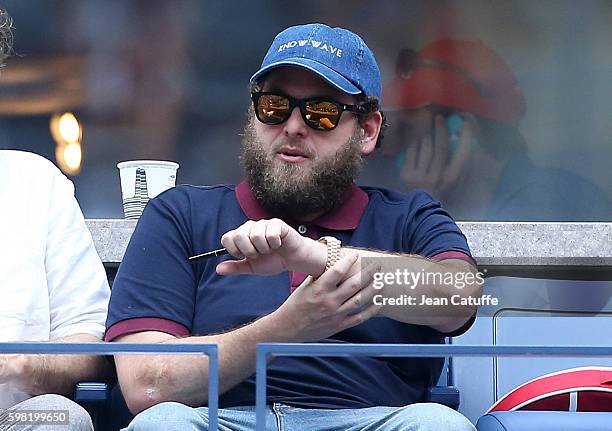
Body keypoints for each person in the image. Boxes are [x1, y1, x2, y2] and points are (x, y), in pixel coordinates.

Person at [106, 23, 481, 430]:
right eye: (274, 106)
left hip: (371, 420)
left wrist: (319, 257)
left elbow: (459, 296)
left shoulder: (407, 216)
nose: (293, 126)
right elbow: (146, 385)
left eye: (322, 112)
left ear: (368, 131)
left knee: (438, 424)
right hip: (217, 420)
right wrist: (288, 327)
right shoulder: (182, 214)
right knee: (163, 424)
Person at [0, 8, 110, 430]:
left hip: (13, 415)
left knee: (61, 418)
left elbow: (85, 339)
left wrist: (22, 364)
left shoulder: (36, 182)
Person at [365, 39, 612, 220]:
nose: (390, 152)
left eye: (407, 132)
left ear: (458, 132)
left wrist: (420, 210)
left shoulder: (544, 204)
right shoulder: (476, 206)